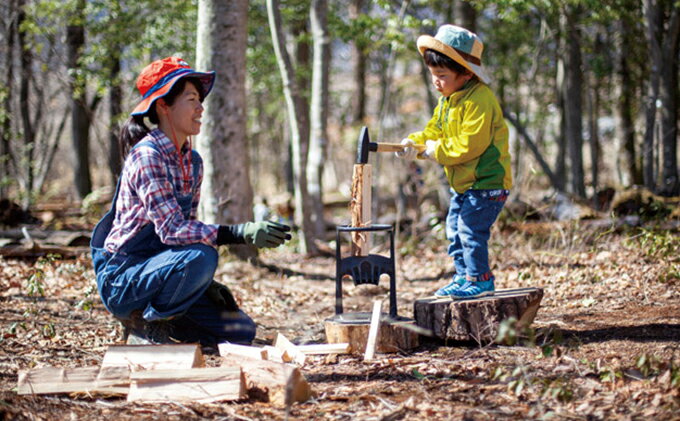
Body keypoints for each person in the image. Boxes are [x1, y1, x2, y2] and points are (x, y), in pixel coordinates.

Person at [90, 57, 291, 346]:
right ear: (163, 106)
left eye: (200, 100)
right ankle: (146, 327)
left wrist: (201, 284)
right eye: (192, 99)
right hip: (124, 279)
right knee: (203, 256)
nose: (200, 108)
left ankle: (170, 321)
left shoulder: (192, 161)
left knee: (240, 331)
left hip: (160, 270)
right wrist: (238, 233)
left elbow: (187, 232)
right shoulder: (148, 157)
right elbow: (171, 230)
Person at [396, 25, 512, 299]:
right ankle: (463, 278)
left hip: (487, 182)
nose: (436, 81)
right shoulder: (448, 101)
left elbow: (468, 146)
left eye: (442, 76)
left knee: (471, 232)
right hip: (464, 184)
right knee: (455, 233)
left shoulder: (479, 100)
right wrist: (414, 142)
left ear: (467, 73)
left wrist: (435, 151)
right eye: (433, 75)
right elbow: (434, 131)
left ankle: (481, 280)